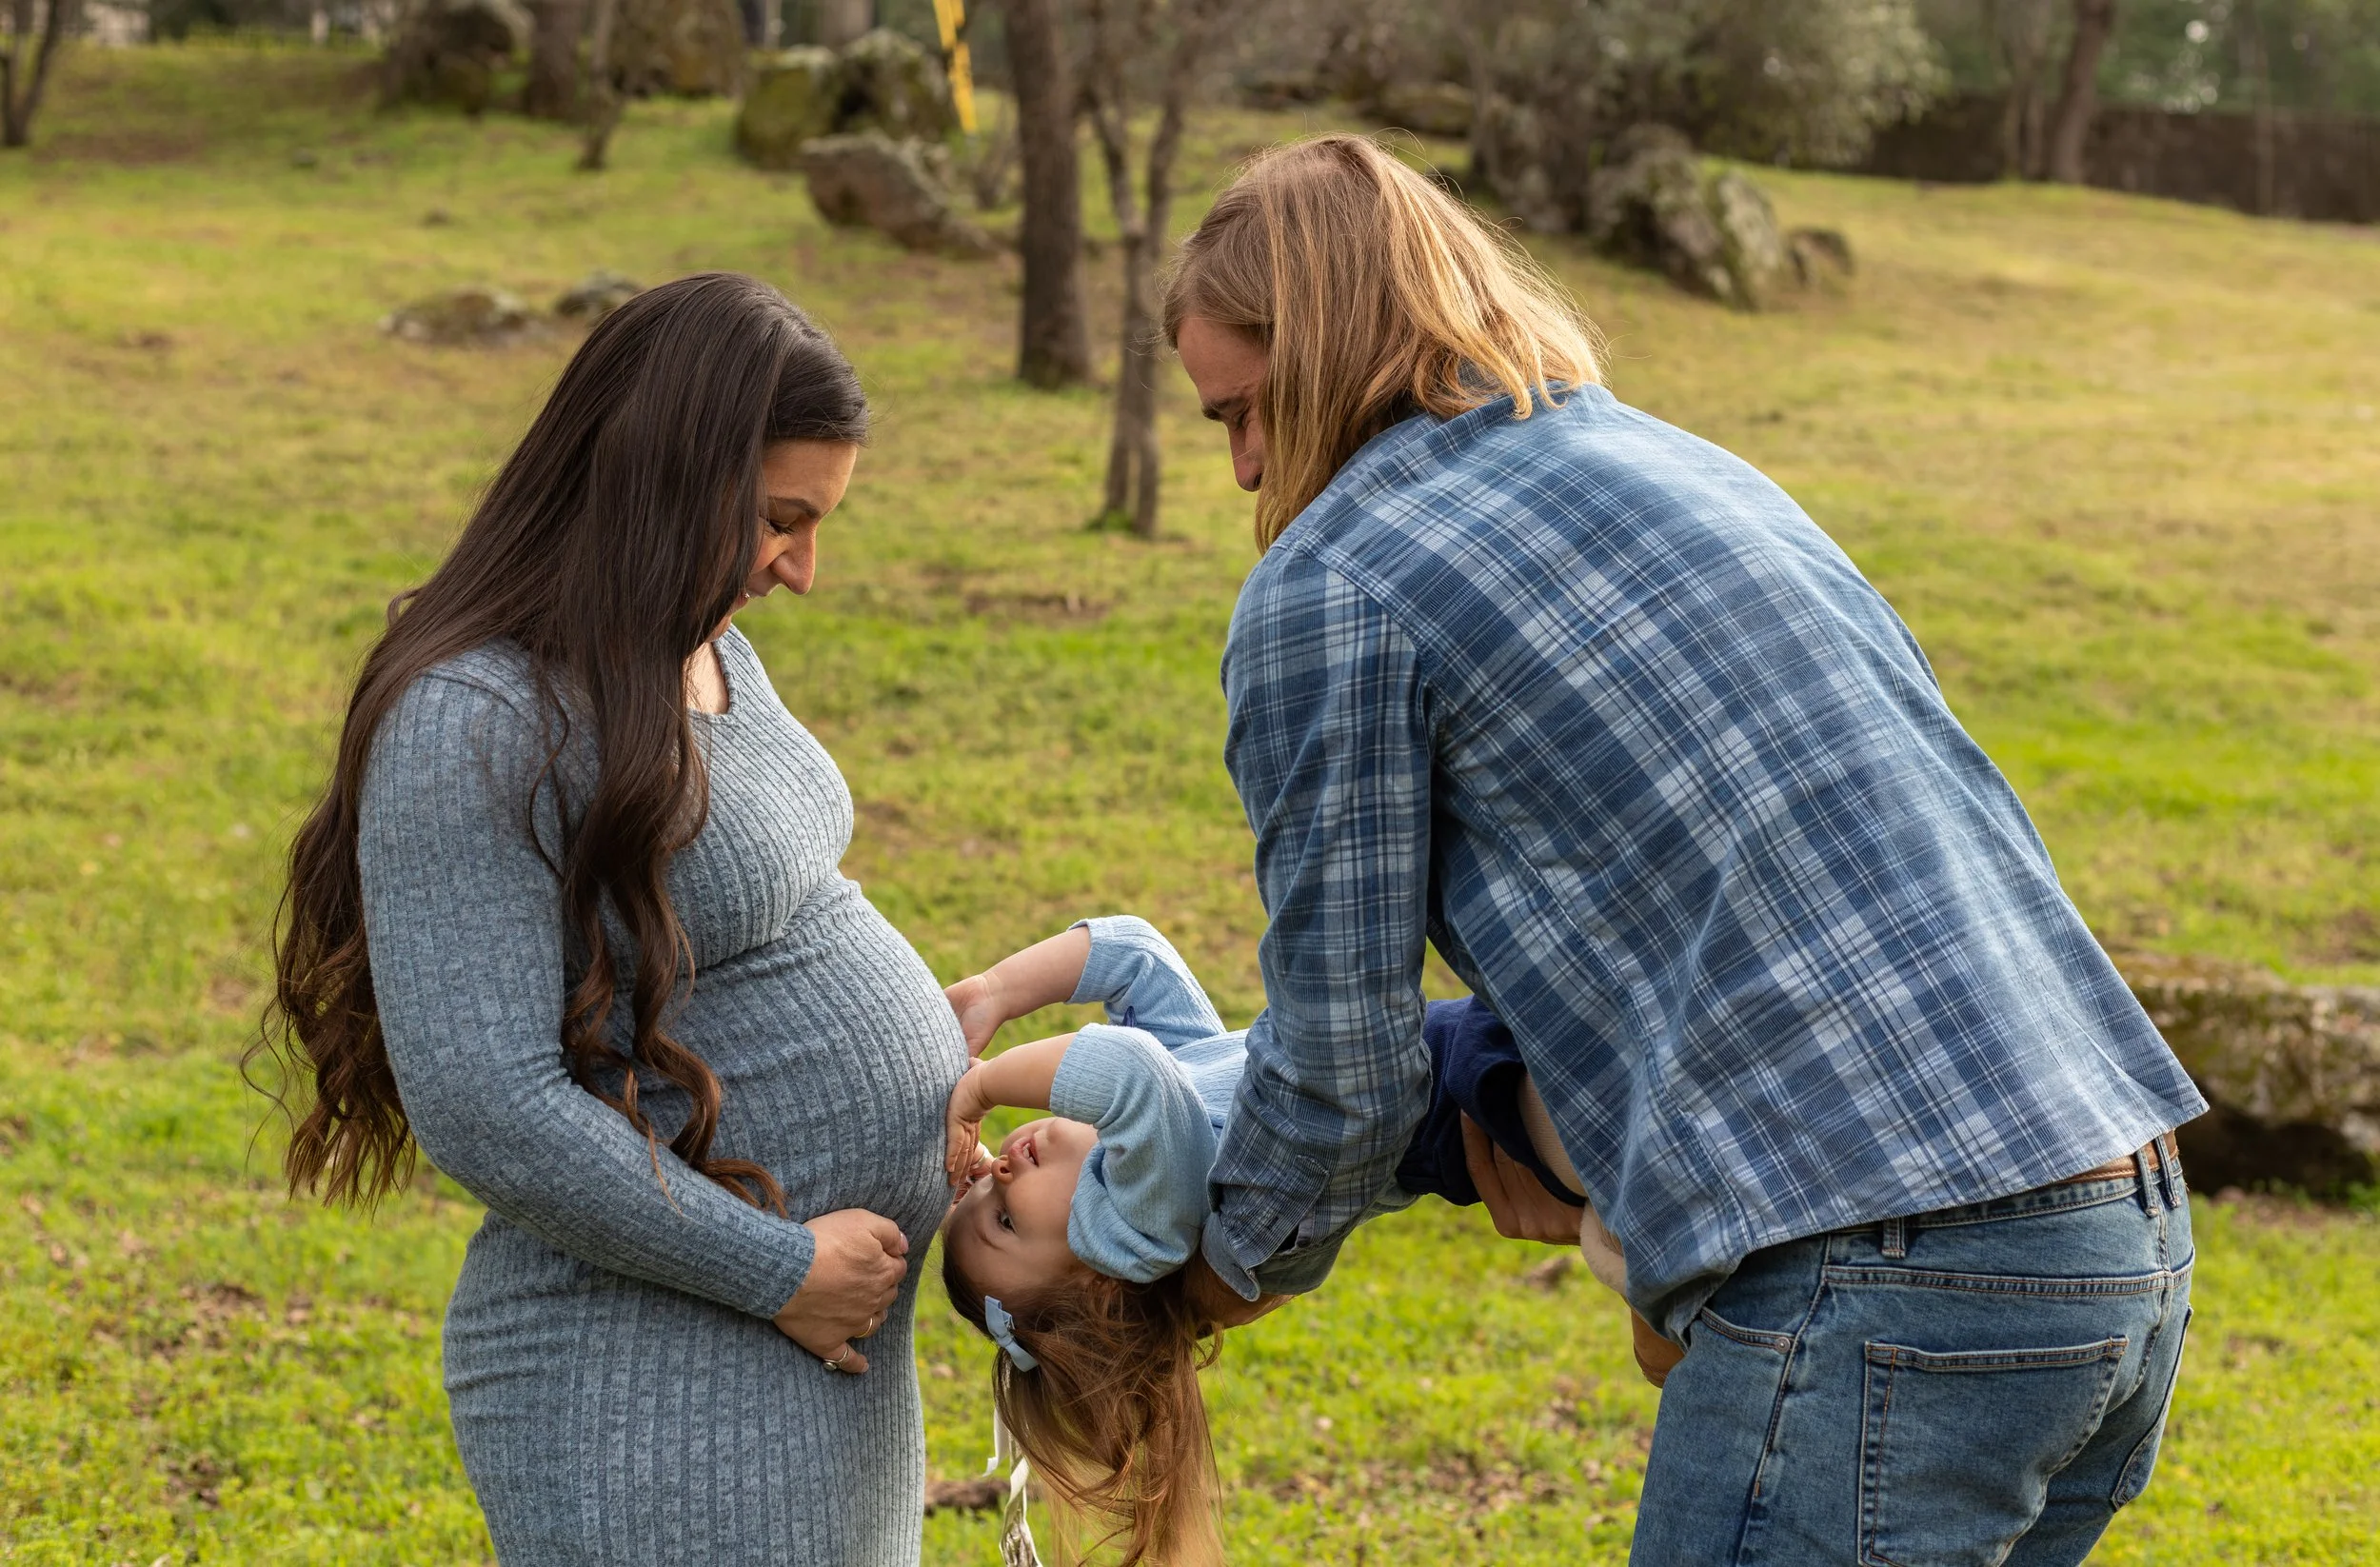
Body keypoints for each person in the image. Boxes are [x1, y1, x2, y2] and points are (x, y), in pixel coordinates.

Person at [1159, 134, 2209, 1565]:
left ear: (1334, 349)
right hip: (2119, 1232)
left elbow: (1342, 1069)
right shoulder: (1680, 464)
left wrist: (1200, 1285)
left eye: (1249, 410)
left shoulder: (1334, 581)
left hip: (1891, 1281)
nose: (1246, 467)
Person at [253, 274, 963, 1566]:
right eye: (780, 521)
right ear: (667, 487)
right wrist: (775, 1268)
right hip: (652, 1376)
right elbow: (487, 1102)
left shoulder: (693, 644)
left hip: (802, 1360)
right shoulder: (476, 719)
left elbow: (761, 918)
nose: (803, 571)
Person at [932, 915, 1673, 1563]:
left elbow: (1137, 954)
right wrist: (987, 1085)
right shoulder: (1145, 1220)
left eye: (981, 1184)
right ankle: (1652, 1276)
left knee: (1649, 1062)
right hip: (1476, 1100)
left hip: (1456, 1052)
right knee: (1642, 1139)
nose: (999, 1168)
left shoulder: (1179, 1111)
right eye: (1005, 1220)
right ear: (1098, 1277)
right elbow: (1135, 1074)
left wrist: (993, 991)